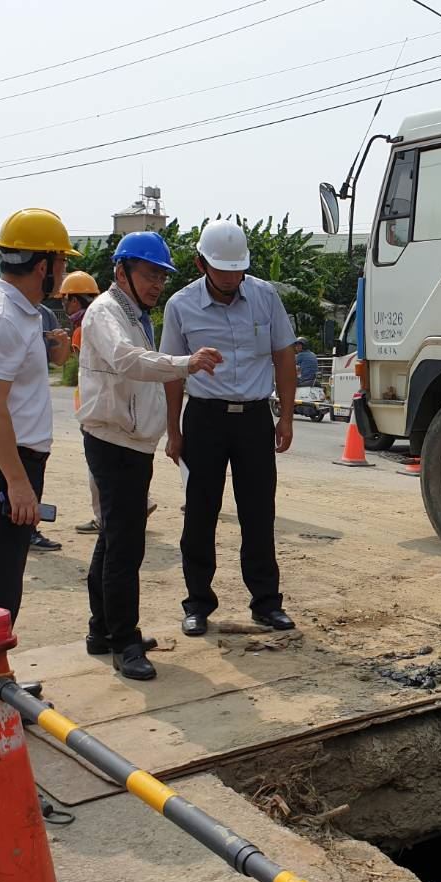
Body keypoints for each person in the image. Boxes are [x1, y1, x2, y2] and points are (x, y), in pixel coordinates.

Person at [0, 207, 77, 714]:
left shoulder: (21, 315)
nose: (64, 274)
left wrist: (55, 350)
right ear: (44, 264)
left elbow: (17, 380)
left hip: (7, 463)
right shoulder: (1, 317)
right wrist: (19, 484)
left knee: (1, 587)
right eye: (60, 263)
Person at [79, 231, 221, 680]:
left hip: (129, 441)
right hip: (113, 441)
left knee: (115, 539)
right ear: (121, 271)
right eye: (148, 274)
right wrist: (184, 363)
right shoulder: (106, 312)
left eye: (161, 275)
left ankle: (103, 630)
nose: (157, 283)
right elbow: (127, 360)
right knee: (125, 546)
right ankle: (124, 642)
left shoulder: (134, 313)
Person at [162, 220, 298, 636]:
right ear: (201, 263)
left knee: (259, 512)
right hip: (204, 418)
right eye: (222, 271)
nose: (230, 279)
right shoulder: (180, 306)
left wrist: (286, 416)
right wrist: (174, 429)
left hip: (255, 417)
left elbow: (284, 357)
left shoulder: (264, 296)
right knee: (200, 513)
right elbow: (171, 372)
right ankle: (198, 603)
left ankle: (266, 602)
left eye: (237, 270)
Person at [57, 270, 104, 534]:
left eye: (65, 300)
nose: (64, 305)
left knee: (96, 464)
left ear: (75, 301)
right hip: (105, 402)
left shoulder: (80, 330)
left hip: (90, 405)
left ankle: (101, 517)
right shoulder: (106, 318)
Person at [29, 301, 67, 552]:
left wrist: (61, 342)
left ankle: (29, 530)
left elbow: (59, 361)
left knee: (34, 468)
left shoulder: (45, 314)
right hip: (12, 409)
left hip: (36, 406)